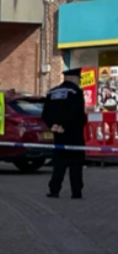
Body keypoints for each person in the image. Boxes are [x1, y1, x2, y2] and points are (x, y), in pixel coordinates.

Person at [44, 68, 87, 199]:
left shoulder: (52, 92)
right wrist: (66, 126)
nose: (79, 82)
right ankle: (76, 192)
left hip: (58, 135)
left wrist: (53, 125)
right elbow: (77, 114)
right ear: (74, 78)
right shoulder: (75, 92)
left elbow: (45, 113)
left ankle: (54, 190)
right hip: (73, 135)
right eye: (79, 79)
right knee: (75, 165)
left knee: (58, 165)